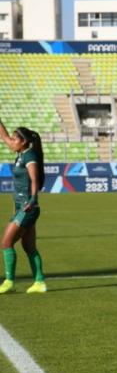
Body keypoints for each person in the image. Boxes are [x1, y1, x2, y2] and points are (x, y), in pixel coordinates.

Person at [0, 119, 46, 294]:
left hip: (28, 207)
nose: (11, 142)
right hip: (20, 206)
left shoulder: (30, 157)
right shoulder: (21, 154)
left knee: (6, 243)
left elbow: (35, 181)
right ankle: (40, 282)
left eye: (15, 139)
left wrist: (33, 200)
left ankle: (9, 281)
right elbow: (3, 136)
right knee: (29, 247)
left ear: (24, 142)